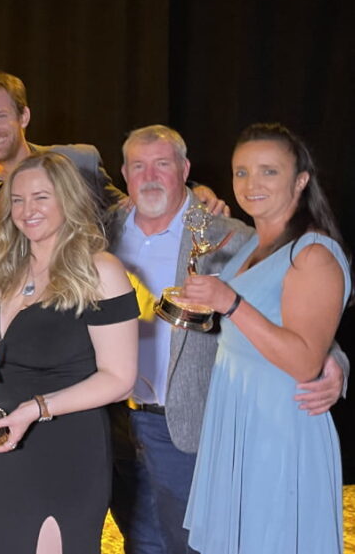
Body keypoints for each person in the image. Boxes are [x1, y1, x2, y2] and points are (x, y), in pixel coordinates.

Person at [107, 124, 348, 554]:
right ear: (123, 173)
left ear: (185, 170)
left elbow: (306, 325)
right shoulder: (100, 232)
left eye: (162, 164)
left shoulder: (227, 235)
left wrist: (337, 362)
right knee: (140, 541)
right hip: (116, 421)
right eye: (139, 166)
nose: (149, 176)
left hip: (192, 426)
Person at [0, 151, 139, 554]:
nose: (26, 210)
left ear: (67, 200)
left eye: (41, 197)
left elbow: (119, 378)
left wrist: (35, 408)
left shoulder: (100, 270)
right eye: (17, 200)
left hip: (62, 449)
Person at [0, 70, 224, 221]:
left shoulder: (77, 162)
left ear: (24, 117)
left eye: (0, 117)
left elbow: (133, 208)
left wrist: (192, 192)